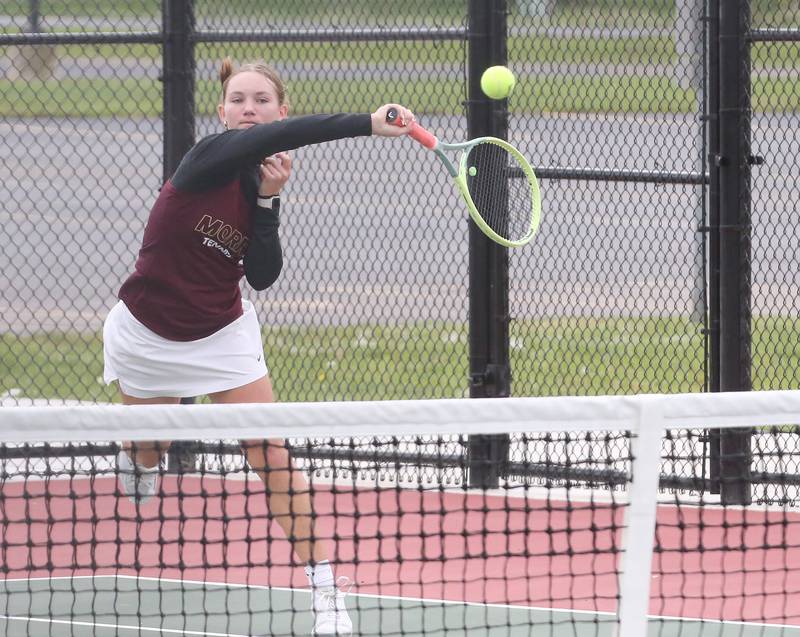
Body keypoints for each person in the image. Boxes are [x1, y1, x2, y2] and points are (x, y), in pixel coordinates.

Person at [102, 57, 415, 635]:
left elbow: (264, 275)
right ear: (223, 112)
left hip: (223, 332)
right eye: (239, 100)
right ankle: (139, 457)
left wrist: (270, 203)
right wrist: (367, 123)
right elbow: (281, 139)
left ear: (280, 106)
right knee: (148, 453)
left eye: (262, 100)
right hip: (148, 333)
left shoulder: (259, 183)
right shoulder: (206, 159)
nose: (250, 109)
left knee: (270, 452)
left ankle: (325, 589)